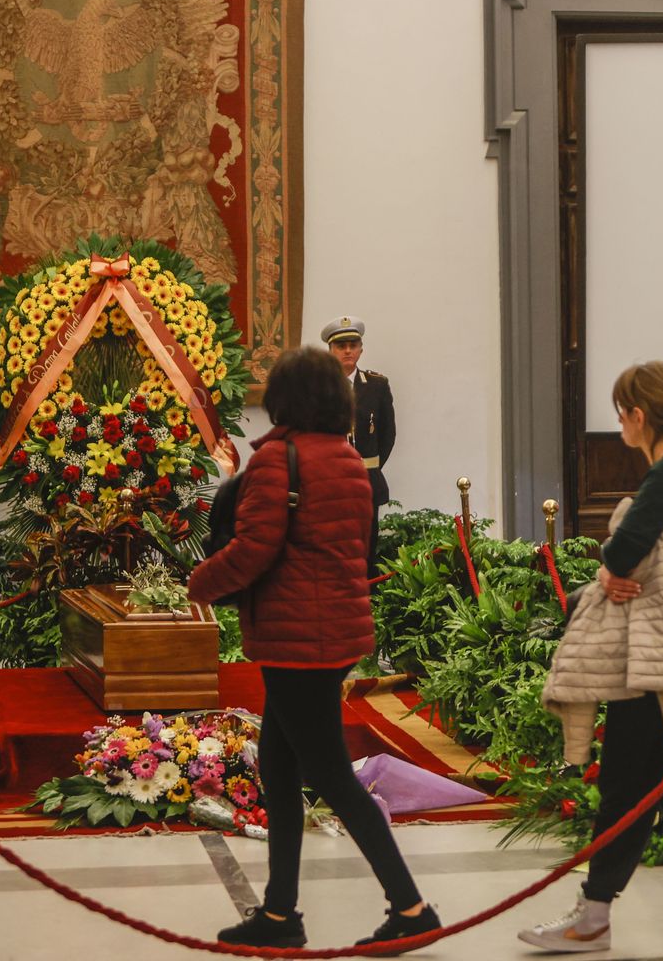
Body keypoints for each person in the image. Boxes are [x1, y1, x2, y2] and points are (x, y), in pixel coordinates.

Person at [186, 347, 439, 951]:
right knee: (278, 768)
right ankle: (280, 914)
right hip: (334, 633)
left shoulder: (280, 459)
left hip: (296, 638)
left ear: (285, 398)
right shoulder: (349, 460)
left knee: (330, 775)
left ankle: (411, 908)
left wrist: (199, 581)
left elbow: (255, 548)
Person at [518, 362, 663, 953]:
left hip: (658, 646)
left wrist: (607, 568)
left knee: (626, 777)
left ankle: (593, 916)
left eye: (620, 413)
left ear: (637, 415)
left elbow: (624, 552)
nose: (618, 423)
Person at [321, 315, 395, 565]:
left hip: (366, 481)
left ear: (361, 350)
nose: (347, 351)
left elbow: (387, 434)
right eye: (341, 346)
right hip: (329, 484)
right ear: (330, 351)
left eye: (353, 345)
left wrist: (370, 466)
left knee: (366, 549)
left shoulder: (377, 386)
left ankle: (367, 590)